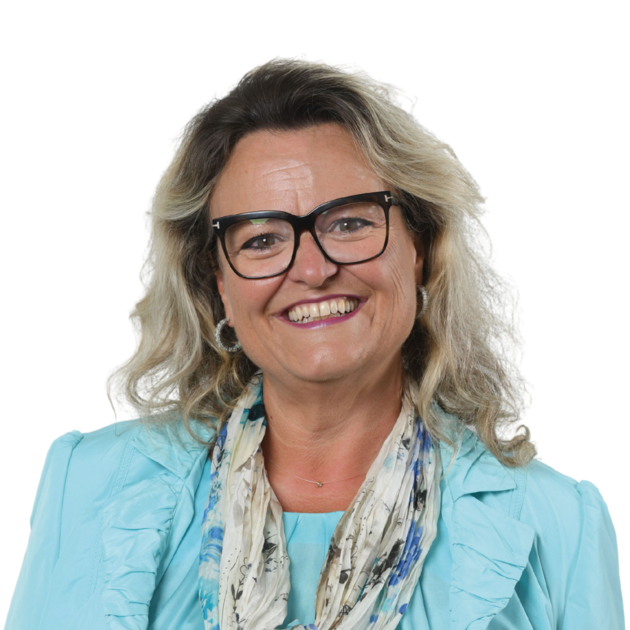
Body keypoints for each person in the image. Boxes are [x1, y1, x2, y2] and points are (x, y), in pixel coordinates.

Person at [5, 55, 624, 630]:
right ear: (219, 286)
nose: (312, 269)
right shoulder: (85, 483)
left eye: (349, 222)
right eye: (261, 240)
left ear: (420, 248)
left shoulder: (558, 522)